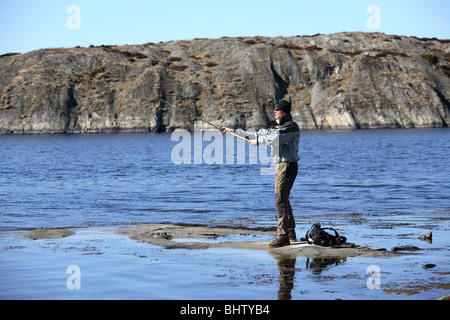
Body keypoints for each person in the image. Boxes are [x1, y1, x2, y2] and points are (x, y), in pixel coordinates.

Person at [223, 100, 300, 248]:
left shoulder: (290, 126)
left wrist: (258, 141)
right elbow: (255, 133)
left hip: (287, 166)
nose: (274, 111)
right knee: (283, 198)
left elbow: (276, 139)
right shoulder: (276, 126)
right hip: (281, 166)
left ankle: (283, 236)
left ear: (283, 111)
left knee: (280, 199)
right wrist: (234, 131)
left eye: (276, 110)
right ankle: (290, 234)